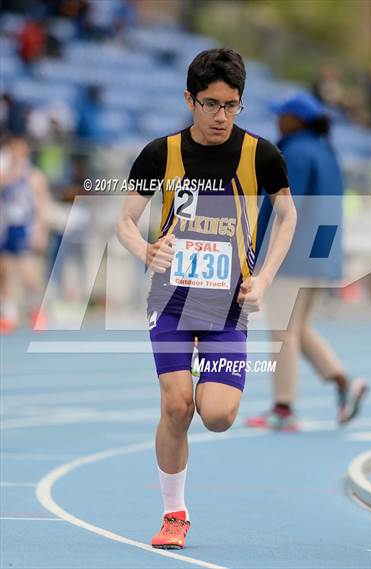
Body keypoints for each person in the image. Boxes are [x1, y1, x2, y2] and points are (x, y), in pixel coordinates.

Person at [117, 48, 297, 549]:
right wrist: (146, 250)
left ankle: (206, 385)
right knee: (177, 407)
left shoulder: (261, 155)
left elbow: (288, 218)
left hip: (227, 305)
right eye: (211, 104)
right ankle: (174, 513)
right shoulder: (161, 153)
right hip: (171, 298)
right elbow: (124, 221)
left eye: (232, 105)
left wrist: (262, 280)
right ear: (189, 100)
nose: (221, 116)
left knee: (216, 415)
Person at [246, 92, 368, 431]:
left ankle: (283, 410)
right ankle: (345, 384)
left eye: (282, 115)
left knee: (282, 330)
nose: (277, 120)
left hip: (295, 257)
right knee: (298, 328)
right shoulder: (327, 152)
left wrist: (253, 246)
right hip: (322, 256)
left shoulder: (295, 152)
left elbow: (283, 206)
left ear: (295, 120)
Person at [0, 136, 50, 333]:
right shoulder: (5, 174)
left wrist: (41, 230)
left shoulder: (35, 176)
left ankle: (37, 310)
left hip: (25, 228)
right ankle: (9, 315)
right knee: (4, 274)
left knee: (28, 273)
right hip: (7, 228)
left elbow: (42, 205)